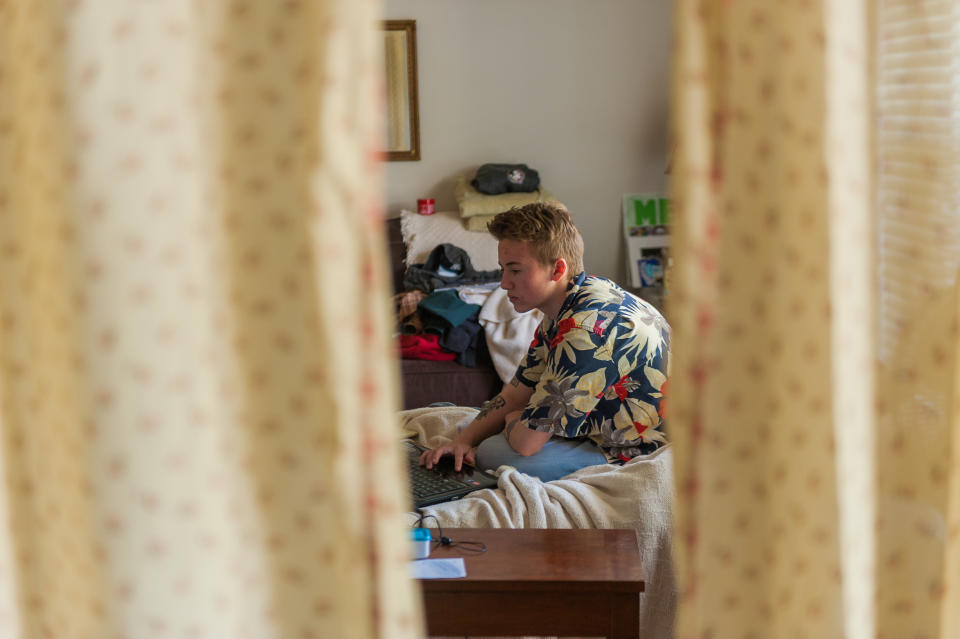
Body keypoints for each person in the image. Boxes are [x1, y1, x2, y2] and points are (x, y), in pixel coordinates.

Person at [420, 202, 670, 482]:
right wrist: (462, 441)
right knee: (475, 432)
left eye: (515, 270)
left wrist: (512, 419)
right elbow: (517, 391)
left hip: (635, 447)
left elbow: (527, 442)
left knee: (493, 453)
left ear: (557, 270)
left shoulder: (584, 330)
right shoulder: (569, 302)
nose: (503, 283)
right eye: (503, 269)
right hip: (601, 422)